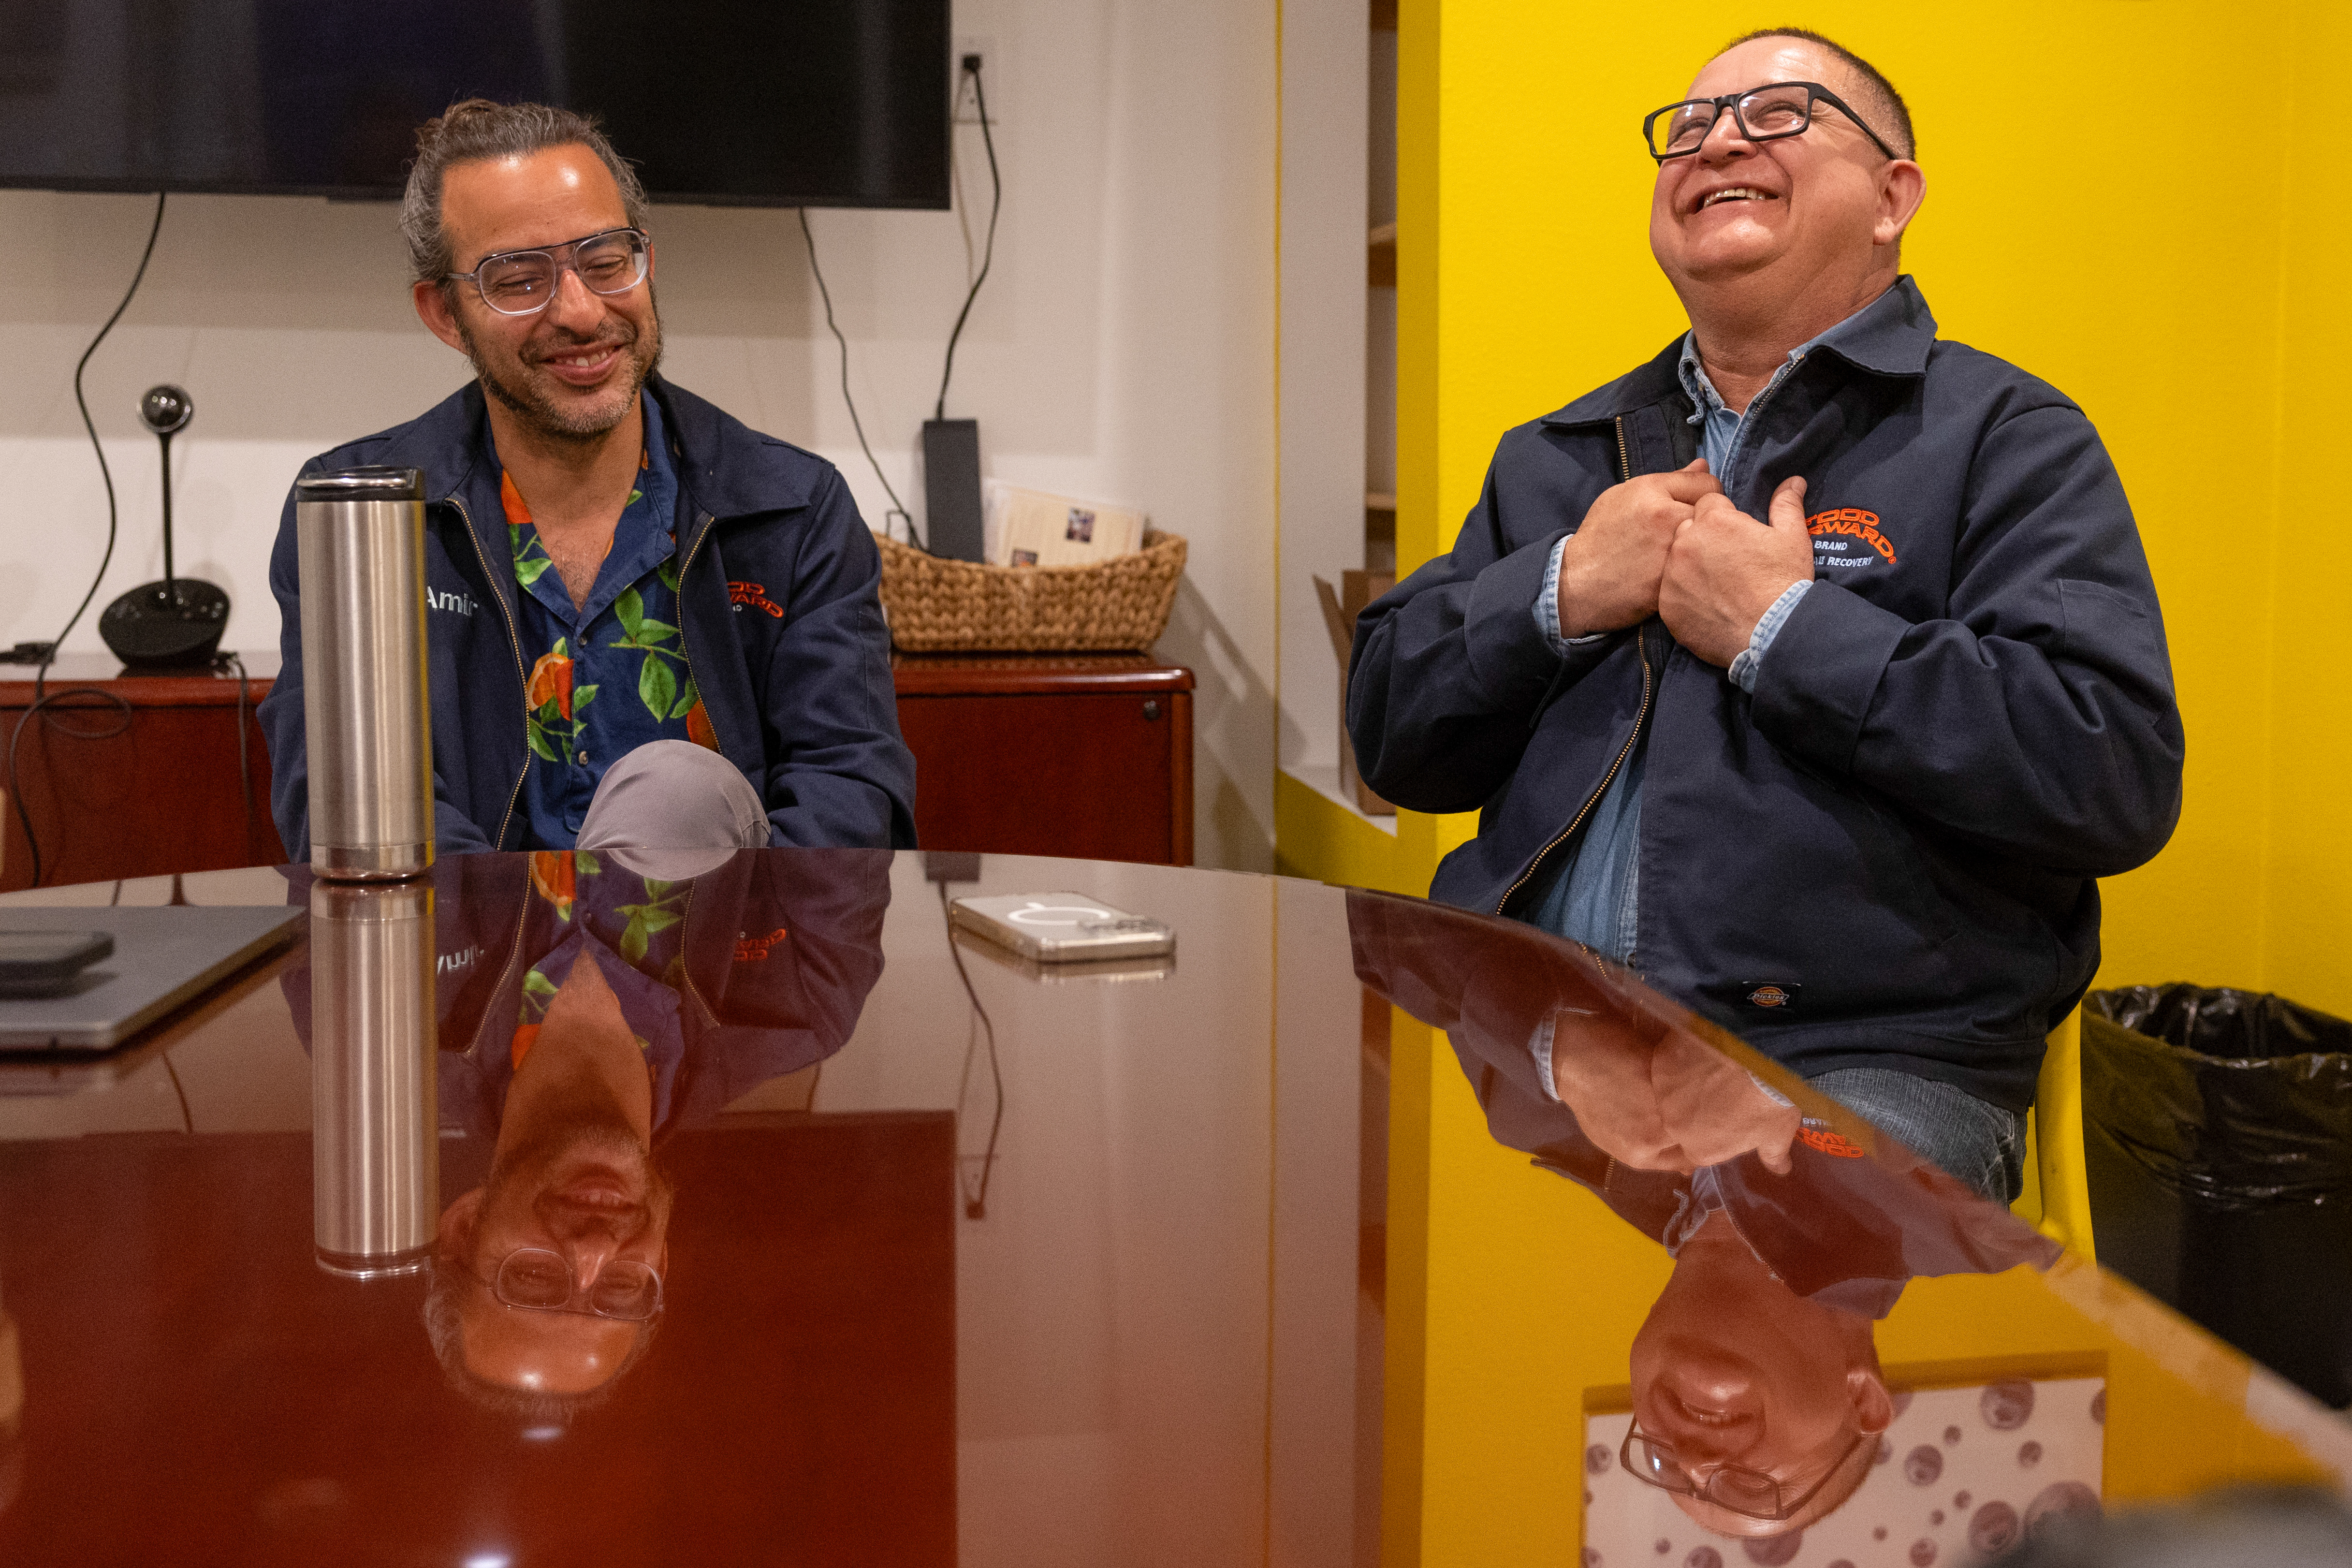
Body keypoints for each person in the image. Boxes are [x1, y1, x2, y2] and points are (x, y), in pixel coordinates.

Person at [1344, 29, 2184, 1198]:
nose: (1718, 139)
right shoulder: (1557, 457)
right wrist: (1562, 592)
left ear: (1896, 197)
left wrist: (1784, 631)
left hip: (1857, 1059)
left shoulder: (2009, 438)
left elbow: (2110, 771)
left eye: (1780, 113)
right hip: (1528, 1021)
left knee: (1779, 1291)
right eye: (1686, 128)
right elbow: (1391, 735)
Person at [258, 100, 918, 860]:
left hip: (723, 965)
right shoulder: (361, 514)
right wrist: (522, 964)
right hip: (466, 968)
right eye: (517, 279)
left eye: (606, 262)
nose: (579, 311)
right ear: (444, 313)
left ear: (646, 261)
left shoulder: (794, 509)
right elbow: (352, 806)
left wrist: (746, 968)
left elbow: (852, 793)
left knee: (678, 788)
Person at [1347, 888, 2056, 1541]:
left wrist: (1553, 1040)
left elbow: (1373, 931)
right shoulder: (1949, 1220)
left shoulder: (1530, 1118)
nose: (1692, 1459)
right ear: (1863, 1402)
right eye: (1752, 1490)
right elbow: (1983, 965)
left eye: (1662, 1468)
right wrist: (1781, 1062)